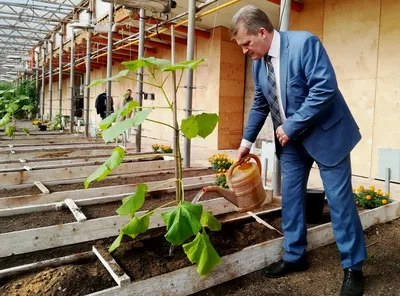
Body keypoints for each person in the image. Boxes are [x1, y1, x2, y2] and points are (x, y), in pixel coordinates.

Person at [230, 5, 366, 296]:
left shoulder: (306, 44)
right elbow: (260, 104)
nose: (244, 51)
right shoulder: (258, 62)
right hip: (291, 144)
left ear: (262, 32)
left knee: (340, 204)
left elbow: (324, 89)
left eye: (246, 44)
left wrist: (291, 125)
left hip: (327, 136)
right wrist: (245, 143)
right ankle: (294, 256)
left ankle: (354, 268)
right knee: (290, 199)